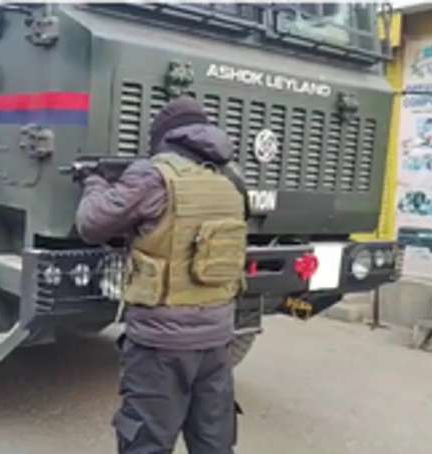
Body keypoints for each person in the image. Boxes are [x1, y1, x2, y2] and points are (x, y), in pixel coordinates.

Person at [75, 96, 248, 454]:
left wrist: (94, 183)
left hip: (161, 343)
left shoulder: (153, 176)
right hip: (217, 339)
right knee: (214, 443)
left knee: (146, 443)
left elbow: (91, 224)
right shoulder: (230, 179)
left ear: (164, 137)